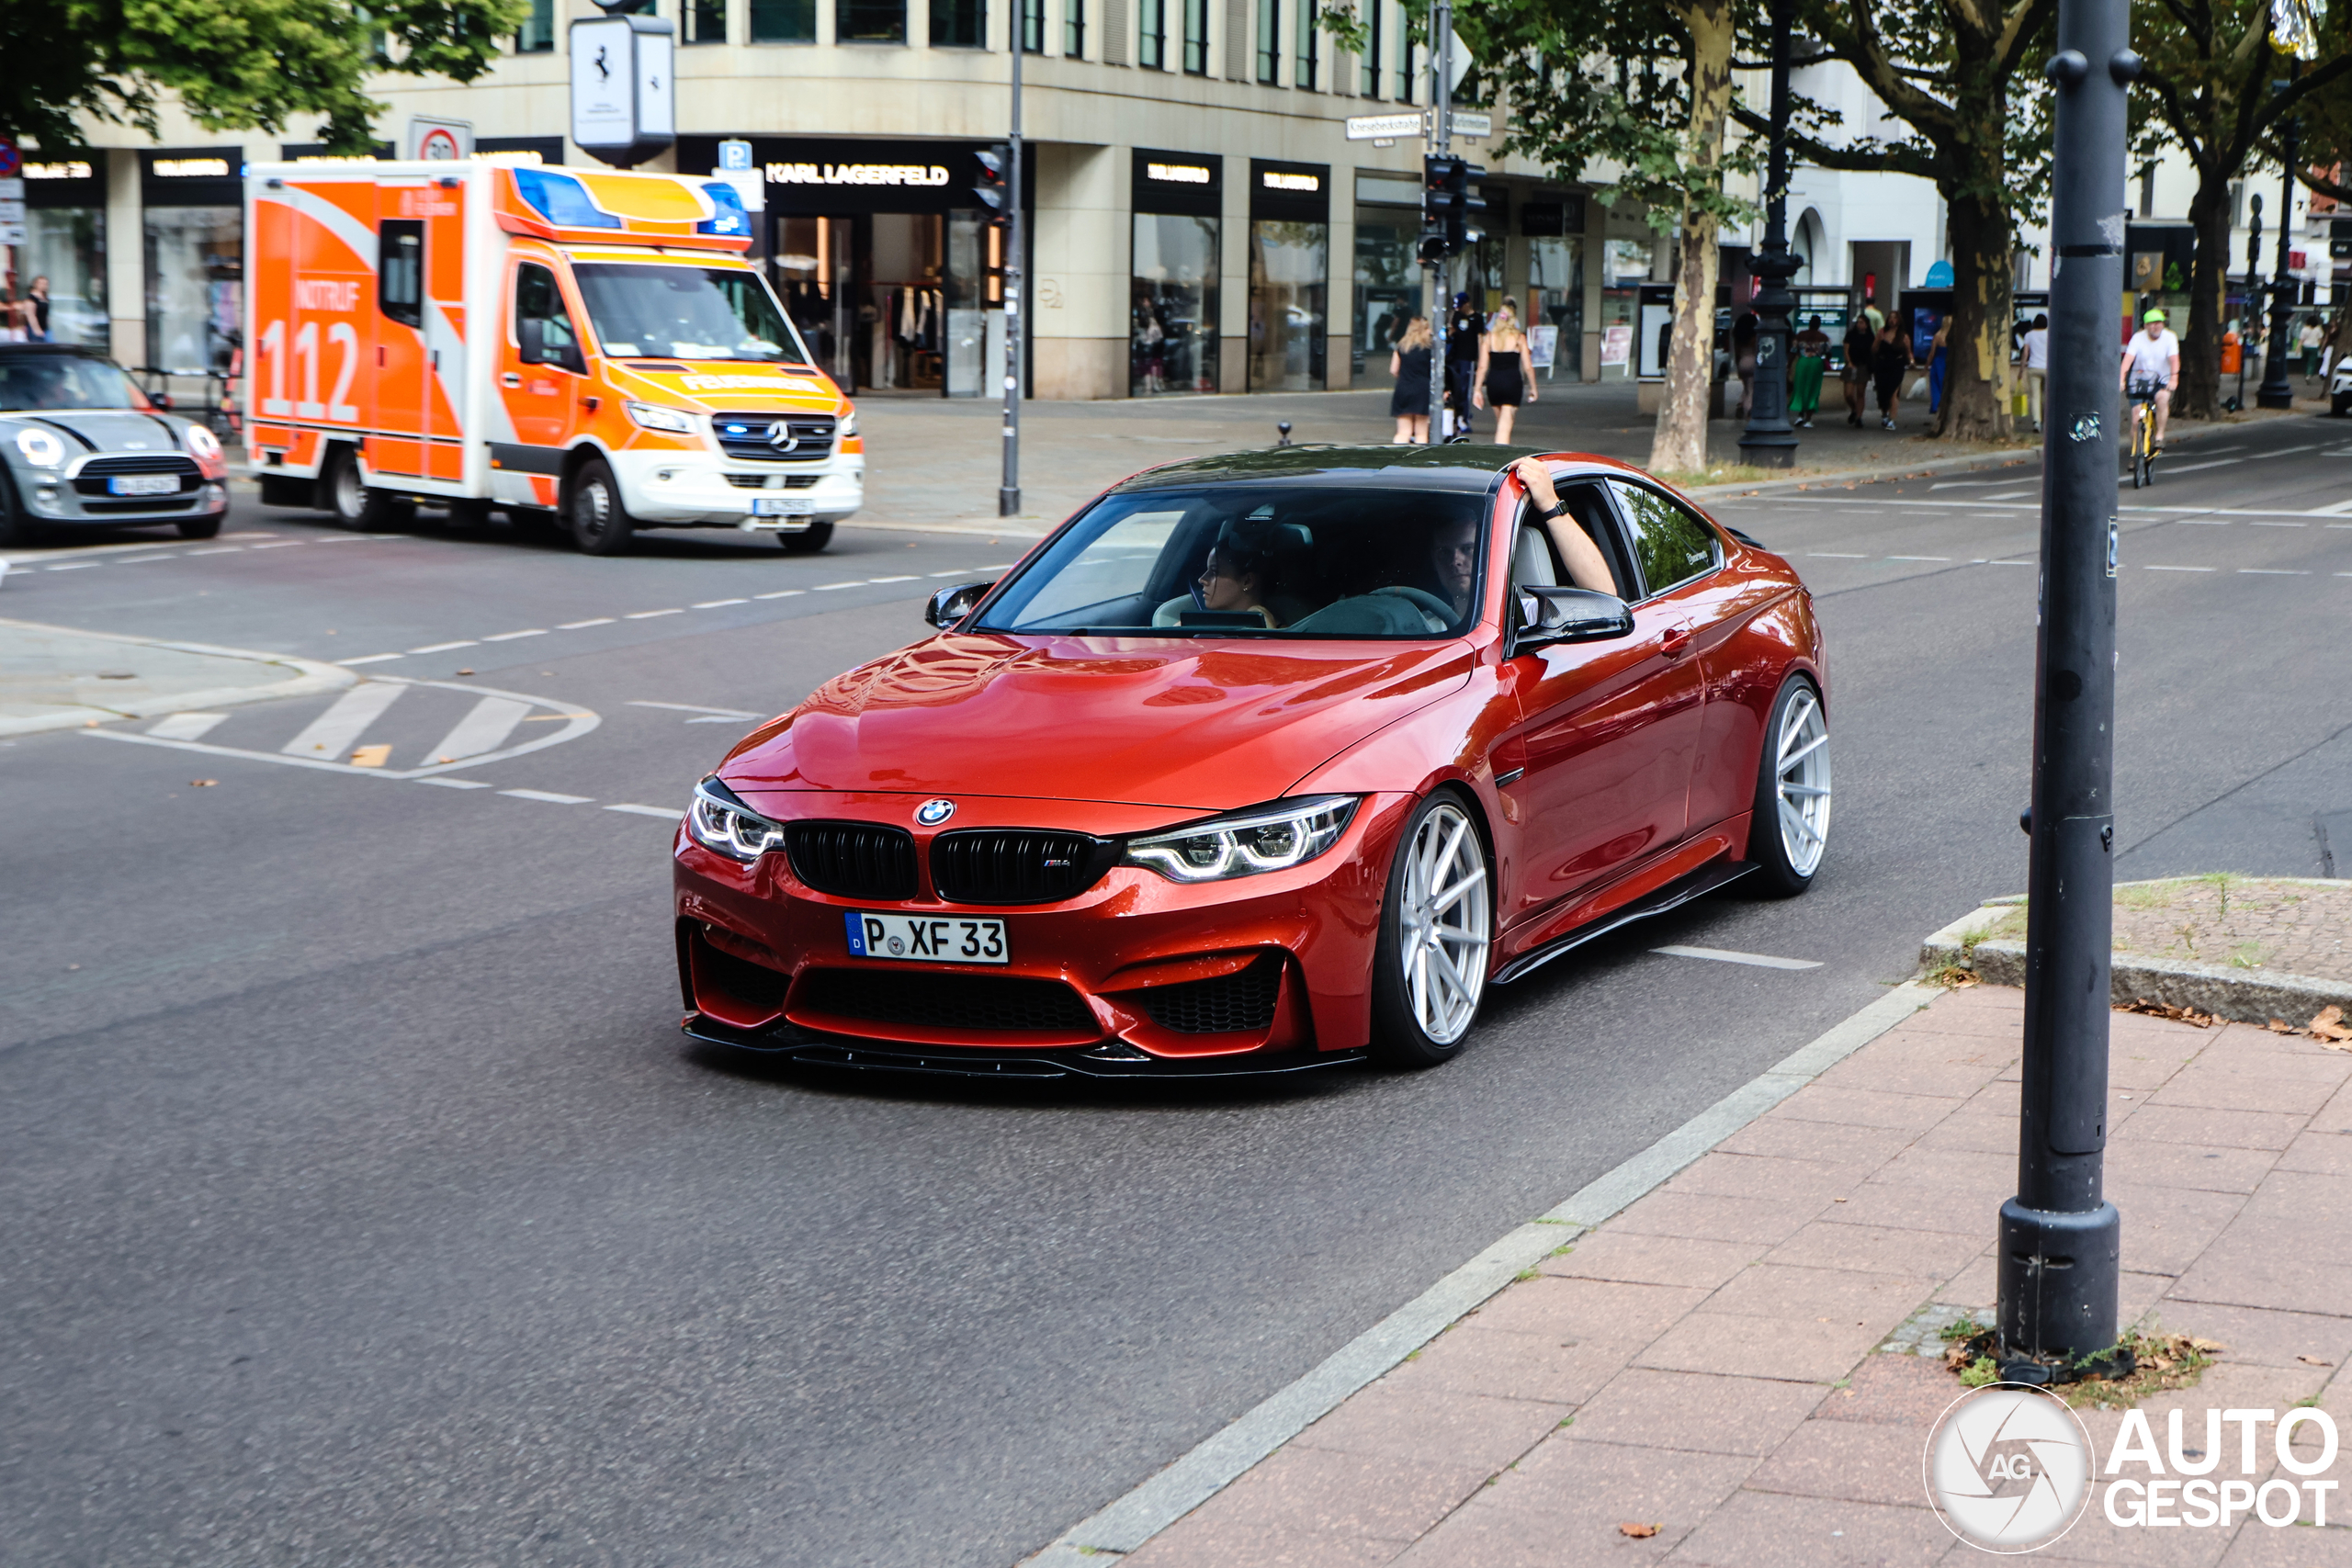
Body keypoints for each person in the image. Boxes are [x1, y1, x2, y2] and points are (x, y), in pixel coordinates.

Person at [1508, 457, 1623, 599]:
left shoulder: (1528, 612)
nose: (1470, 560)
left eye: (1471, 549)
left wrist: (1550, 503)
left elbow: (1606, 597)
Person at [1473, 299, 1536, 445]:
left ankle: (1501, 448)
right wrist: (1533, 387)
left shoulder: (1489, 339)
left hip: (1494, 383)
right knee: (1505, 428)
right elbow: (1527, 366)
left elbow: (1482, 367)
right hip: (1512, 383)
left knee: (1500, 423)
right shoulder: (1519, 338)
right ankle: (1502, 458)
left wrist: (1477, 390)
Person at [2120, 307, 2180, 451]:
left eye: (2159, 322)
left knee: (2162, 399)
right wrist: (2121, 378)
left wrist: (2174, 378)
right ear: (2146, 326)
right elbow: (2128, 360)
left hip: (2161, 379)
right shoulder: (2138, 338)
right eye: (2152, 323)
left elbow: (2174, 360)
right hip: (2140, 380)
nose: (2156, 326)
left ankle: (2159, 436)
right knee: (2136, 418)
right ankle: (2136, 452)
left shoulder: (2170, 337)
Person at [1443, 292, 1483, 439]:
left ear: (1468, 303)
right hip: (1455, 357)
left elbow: (1480, 338)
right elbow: (1450, 332)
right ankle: (1455, 416)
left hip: (1468, 357)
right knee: (1453, 387)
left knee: (1465, 388)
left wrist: (1480, 357)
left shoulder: (1477, 318)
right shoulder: (1456, 315)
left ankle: (1464, 418)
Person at [1389, 316, 1433, 445]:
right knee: (1421, 432)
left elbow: (1393, 370)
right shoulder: (1429, 348)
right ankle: (1418, 462)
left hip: (1403, 388)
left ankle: (1397, 456)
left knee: (1403, 432)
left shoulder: (1401, 346)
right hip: (1422, 390)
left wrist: (1404, 377)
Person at [1790, 315, 1828, 428]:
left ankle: (1800, 415)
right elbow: (1828, 352)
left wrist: (1789, 365)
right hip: (1816, 364)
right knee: (1813, 390)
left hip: (1802, 363)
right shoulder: (1823, 337)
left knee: (1800, 388)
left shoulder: (1801, 335)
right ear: (1819, 324)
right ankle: (1808, 418)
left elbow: (1793, 350)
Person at [1871, 319, 1910, 430]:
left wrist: (1911, 361)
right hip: (1882, 366)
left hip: (1897, 366)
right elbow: (1874, 349)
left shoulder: (1903, 336)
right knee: (1883, 392)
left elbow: (1908, 351)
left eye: (1895, 318)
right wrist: (1878, 340)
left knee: (1894, 392)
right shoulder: (1882, 333)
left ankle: (1892, 420)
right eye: (1891, 318)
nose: (1893, 321)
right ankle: (1885, 414)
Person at [1842, 314, 1875, 427]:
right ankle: (1854, 408)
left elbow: (1873, 351)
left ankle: (1859, 417)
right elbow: (1846, 349)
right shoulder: (1851, 335)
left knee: (1860, 392)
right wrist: (1849, 362)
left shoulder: (1870, 337)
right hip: (1852, 364)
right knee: (1848, 394)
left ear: (1866, 325)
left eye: (1862, 322)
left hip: (1863, 366)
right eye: (1858, 322)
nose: (1859, 324)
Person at [2018, 313, 2050, 431]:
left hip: (2033, 368)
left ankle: (2037, 422)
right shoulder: (2049, 334)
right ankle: (2048, 421)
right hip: (2048, 369)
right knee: (2047, 396)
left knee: (2035, 396)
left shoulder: (2029, 335)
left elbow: (2025, 353)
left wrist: (2021, 370)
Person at [1731, 311, 1759, 419]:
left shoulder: (1738, 338)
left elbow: (1737, 353)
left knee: (1747, 386)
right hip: (1753, 362)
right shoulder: (1755, 337)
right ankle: (1749, 409)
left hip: (1742, 362)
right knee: (1752, 388)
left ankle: (1741, 403)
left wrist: (1738, 367)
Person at [1927, 314, 1951, 415]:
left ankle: (1936, 405)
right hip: (1948, 362)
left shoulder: (1938, 336)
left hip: (1938, 363)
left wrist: (1926, 367)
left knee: (1936, 385)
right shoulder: (1954, 336)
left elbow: (1932, 353)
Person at [26, 276, 51, 343]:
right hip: (35, 329)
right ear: (36, 284)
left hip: (45, 328)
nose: (44, 285)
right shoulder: (32, 298)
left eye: (46, 284)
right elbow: (31, 315)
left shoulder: (45, 298)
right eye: (42, 283)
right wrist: (36, 329)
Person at [2301, 315, 2325, 381]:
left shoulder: (2304, 329)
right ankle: (2309, 375)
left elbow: (2302, 339)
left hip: (2305, 346)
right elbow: (2320, 339)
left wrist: (2298, 347)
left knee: (2305, 360)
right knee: (2312, 362)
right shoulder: (2318, 329)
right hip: (2314, 347)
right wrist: (2321, 346)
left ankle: (2306, 372)